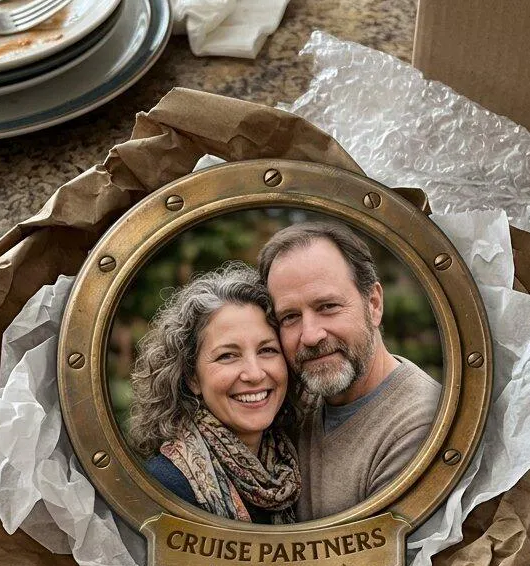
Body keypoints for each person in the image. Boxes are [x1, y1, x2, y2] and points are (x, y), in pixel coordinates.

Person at [258, 222, 442, 521]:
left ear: (373, 304)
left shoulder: (420, 427)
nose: (311, 335)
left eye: (327, 306)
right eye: (290, 317)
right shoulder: (290, 404)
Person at [129, 263, 301, 524]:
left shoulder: (289, 467)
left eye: (267, 350)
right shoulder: (165, 486)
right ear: (192, 377)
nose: (254, 373)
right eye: (227, 355)